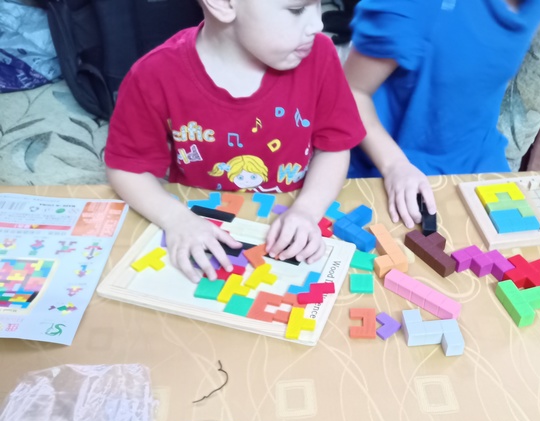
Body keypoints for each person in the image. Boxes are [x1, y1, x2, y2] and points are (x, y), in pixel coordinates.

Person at [105, 0, 365, 282]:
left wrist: (307, 210)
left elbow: (334, 146)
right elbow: (126, 168)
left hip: (290, 212)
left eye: (319, 5)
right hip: (201, 222)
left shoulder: (319, 54)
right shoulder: (153, 75)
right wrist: (176, 218)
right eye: (296, 10)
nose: (318, 24)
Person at [344, 0, 540, 228]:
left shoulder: (539, 5)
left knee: (525, 241)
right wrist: (395, 165)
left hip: (480, 156)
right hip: (396, 161)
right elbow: (350, 92)